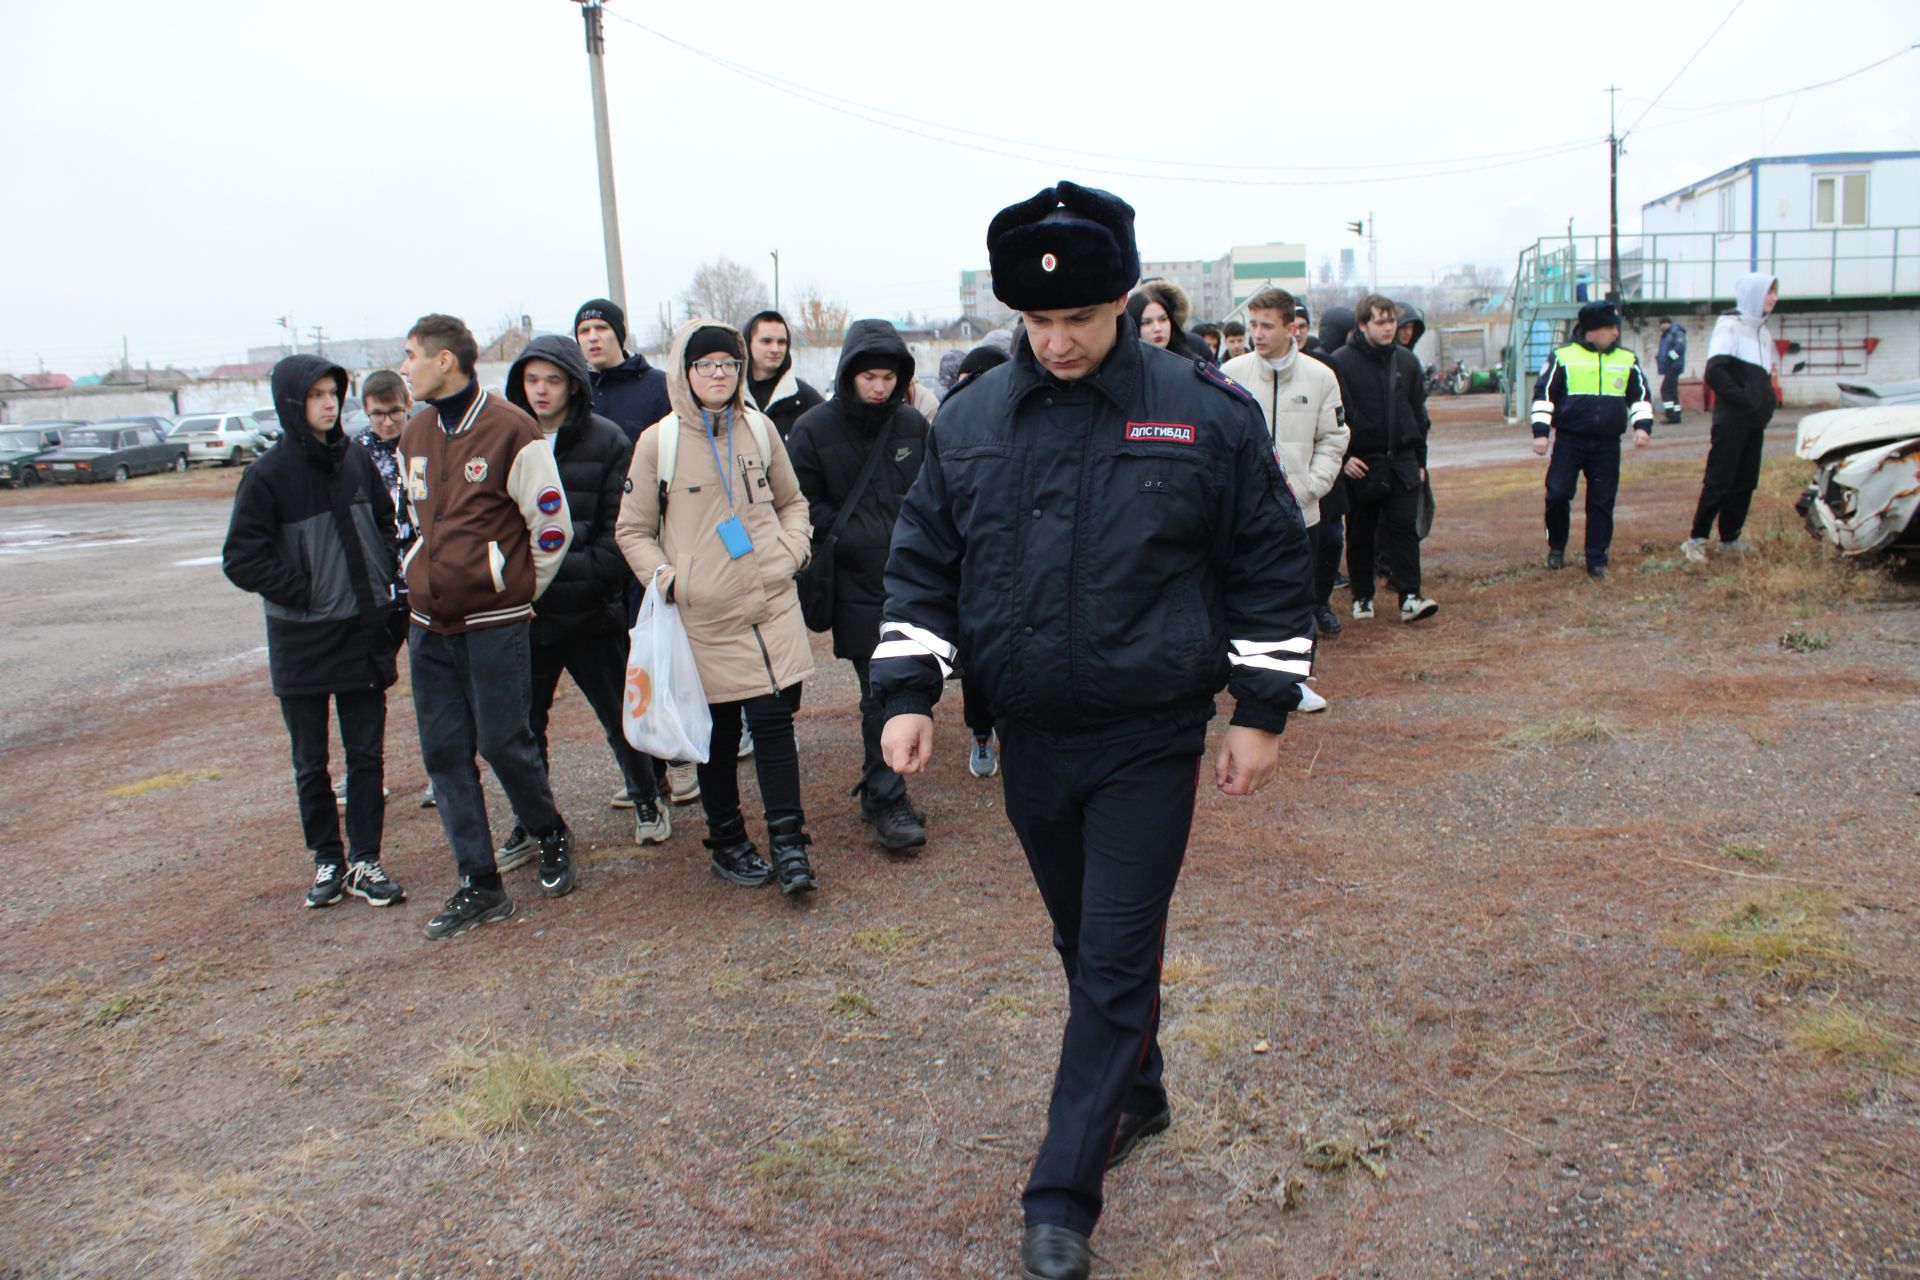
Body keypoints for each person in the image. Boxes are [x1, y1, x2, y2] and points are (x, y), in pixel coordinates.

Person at [871, 181, 1317, 1280]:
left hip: (1147, 736)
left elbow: (1268, 561)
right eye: (1038, 321)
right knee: (1083, 943)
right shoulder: (971, 418)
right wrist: (906, 692)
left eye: (1079, 318)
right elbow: (925, 558)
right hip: (1031, 737)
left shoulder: (1203, 409)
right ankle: (1143, 1090)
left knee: (1116, 954)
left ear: (1123, 299)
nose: (1059, 340)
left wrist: (1260, 712)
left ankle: (1062, 1192)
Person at [614, 321, 820, 895]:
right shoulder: (661, 442)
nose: (718, 375)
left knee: (776, 728)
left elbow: (793, 501)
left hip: (770, 605)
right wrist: (672, 583)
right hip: (704, 617)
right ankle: (727, 841)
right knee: (719, 736)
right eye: (705, 366)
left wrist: (792, 550)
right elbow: (632, 530)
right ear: (685, 371)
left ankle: (789, 844)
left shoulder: (758, 428)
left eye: (728, 365)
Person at [397, 314, 576, 939]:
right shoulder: (415, 431)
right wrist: (415, 576)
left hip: (494, 621)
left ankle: (549, 831)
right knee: (444, 754)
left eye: (412, 354)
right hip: (429, 625)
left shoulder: (511, 430)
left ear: (446, 361)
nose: (405, 367)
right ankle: (480, 883)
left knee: (505, 742)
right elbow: (410, 522)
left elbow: (552, 530)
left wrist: (516, 591)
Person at [223, 354, 404, 910]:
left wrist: (383, 586)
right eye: (317, 395)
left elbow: (382, 522)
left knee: (366, 756)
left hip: (362, 632)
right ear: (292, 403)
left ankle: (366, 859)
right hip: (302, 641)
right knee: (311, 762)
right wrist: (304, 589)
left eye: (334, 393)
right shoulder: (267, 475)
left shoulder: (354, 459)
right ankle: (328, 858)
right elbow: (241, 558)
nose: (329, 404)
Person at [502, 334, 672, 854]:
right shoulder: (506, 440)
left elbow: (618, 531)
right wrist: (516, 587)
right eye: (531, 380)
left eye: (552, 380)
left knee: (620, 714)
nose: (541, 391)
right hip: (524, 613)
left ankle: (647, 794)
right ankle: (534, 819)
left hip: (589, 610)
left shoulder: (606, 441)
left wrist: (577, 579)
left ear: (574, 384)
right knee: (523, 726)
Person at [787, 320, 931, 853]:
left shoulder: (913, 425)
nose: (879, 387)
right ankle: (886, 796)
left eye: (888, 377)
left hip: (912, 581)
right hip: (853, 581)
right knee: (878, 692)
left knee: (903, 686)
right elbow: (800, 503)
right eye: (869, 375)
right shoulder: (813, 429)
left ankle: (883, 786)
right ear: (849, 374)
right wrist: (852, 534)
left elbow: (932, 493)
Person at [576, 297, 701, 802]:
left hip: (650, 543)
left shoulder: (653, 389)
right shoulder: (575, 393)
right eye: (583, 329)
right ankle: (647, 771)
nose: (592, 337)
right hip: (598, 550)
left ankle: (683, 757)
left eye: (601, 327)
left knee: (667, 654)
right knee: (629, 669)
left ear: (620, 333)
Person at [1222, 287, 1349, 673]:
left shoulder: (1321, 377)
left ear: (1292, 329)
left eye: (1266, 326)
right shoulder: (1231, 374)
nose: (1256, 334)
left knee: (1297, 598)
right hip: (1245, 513)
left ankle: (1294, 679)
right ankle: (1252, 673)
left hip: (1300, 512)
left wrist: (1311, 485)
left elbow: (1334, 437)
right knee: (1250, 596)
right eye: (1252, 325)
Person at [1329, 294, 1436, 622]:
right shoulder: (1340, 362)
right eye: (1380, 321)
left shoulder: (1406, 361)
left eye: (1392, 321)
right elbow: (1332, 416)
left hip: (1402, 459)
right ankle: (1362, 596)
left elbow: (1418, 413)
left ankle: (1410, 596)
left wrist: (1420, 461)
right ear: (1363, 325)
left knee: (1405, 527)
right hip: (1362, 462)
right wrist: (1344, 457)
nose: (1389, 328)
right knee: (1361, 532)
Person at [1529, 300, 1653, 578]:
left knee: (1602, 502)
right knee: (1557, 495)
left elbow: (1640, 396)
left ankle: (1597, 559)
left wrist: (1642, 426)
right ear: (1593, 330)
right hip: (1570, 441)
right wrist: (1541, 433)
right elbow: (1544, 395)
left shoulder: (1627, 359)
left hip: (1607, 444)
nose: (1616, 333)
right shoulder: (1562, 356)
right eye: (1611, 327)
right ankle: (1556, 545)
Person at [347, 369, 419, 808]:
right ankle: (367, 773)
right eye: (378, 414)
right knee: (369, 683)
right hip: (379, 589)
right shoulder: (356, 453)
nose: (387, 423)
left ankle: (441, 768)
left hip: (424, 585)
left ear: (407, 407)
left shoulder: (423, 443)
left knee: (436, 687)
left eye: (394, 412)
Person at [1683, 273, 1779, 563]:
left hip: (1754, 421)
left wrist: (1765, 403)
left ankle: (1730, 537)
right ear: (1753, 295)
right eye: (1768, 293)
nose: (1774, 298)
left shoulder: (1763, 331)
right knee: (1720, 479)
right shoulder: (1730, 325)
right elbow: (1715, 372)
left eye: (1775, 292)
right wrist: (1746, 400)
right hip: (1732, 420)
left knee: (1746, 480)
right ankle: (1696, 539)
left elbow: (1762, 377)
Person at [742, 309, 825, 441]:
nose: (775, 349)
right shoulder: (732, 396)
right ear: (748, 343)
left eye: (781, 342)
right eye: (766, 341)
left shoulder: (806, 399)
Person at [1125, 279, 1206, 360]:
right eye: (1147, 323)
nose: (1157, 328)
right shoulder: (1122, 368)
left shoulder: (1192, 367)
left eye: (1163, 319)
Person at [1656, 316, 1687, 425]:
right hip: (1671, 367)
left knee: (1665, 390)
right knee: (1672, 391)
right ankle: (1676, 414)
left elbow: (1680, 347)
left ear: (1666, 323)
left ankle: (1671, 415)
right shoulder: (1667, 334)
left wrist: (1669, 358)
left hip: (1673, 366)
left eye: (1661, 324)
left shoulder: (1675, 332)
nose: (1660, 327)